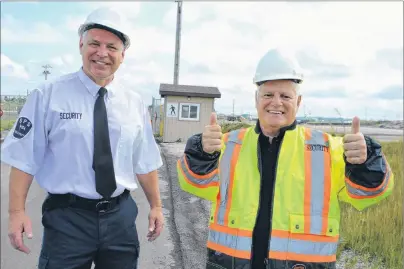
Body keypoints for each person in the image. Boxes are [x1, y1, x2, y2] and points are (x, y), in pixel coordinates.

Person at [177, 48, 394, 269]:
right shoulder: (227, 145)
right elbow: (194, 184)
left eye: (285, 96)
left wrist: (364, 163)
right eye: (268, 95)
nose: (276, 103)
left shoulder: (329, 149)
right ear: (256, 99)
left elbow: (369, 194)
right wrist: (203, 155)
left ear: (298, 101)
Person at [2, 7, 164, 269]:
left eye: (111, 46)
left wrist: (156, 206)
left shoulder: (134, 102)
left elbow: (145, 160)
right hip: (67, 219)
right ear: (81, 45)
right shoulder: (48, 95)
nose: (102, 53)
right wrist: (16, 212)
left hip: (120, 218)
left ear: (123, 55)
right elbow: (23, 158)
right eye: (94, 44)